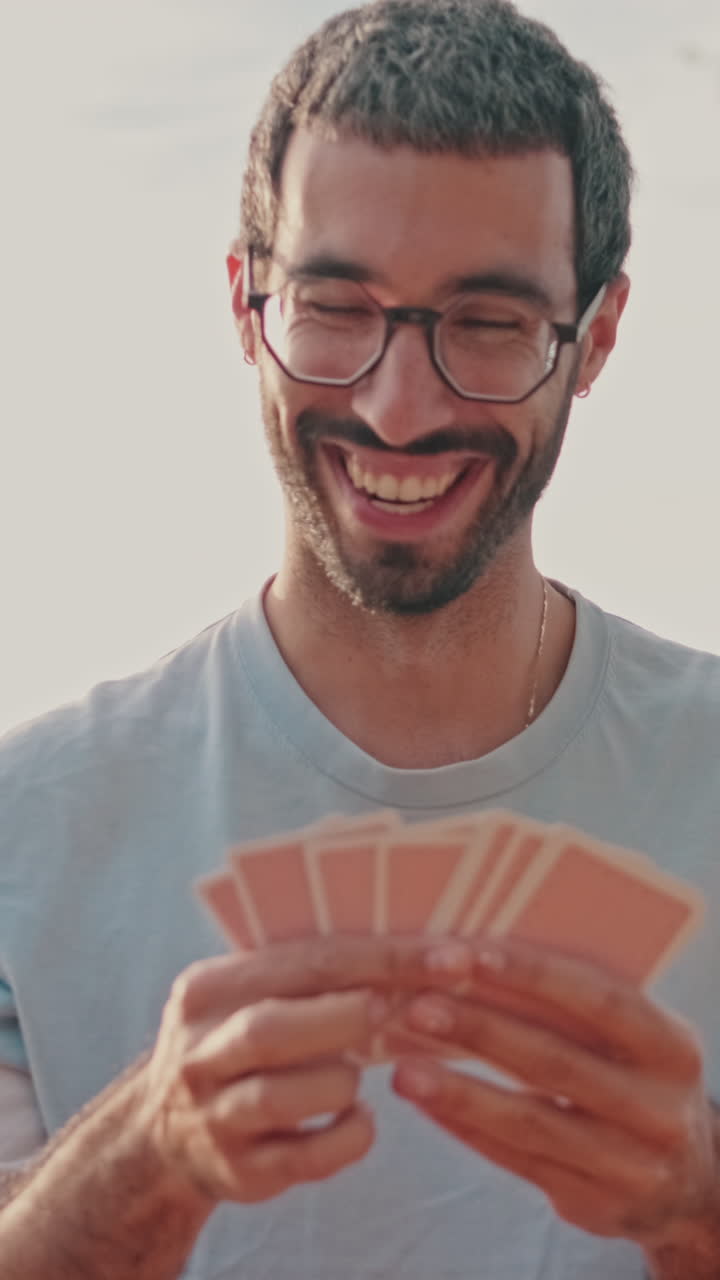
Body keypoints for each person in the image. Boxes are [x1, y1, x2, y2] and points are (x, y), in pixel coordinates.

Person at [0, 0, 719, 1275]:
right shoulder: (25, 830)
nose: (397, 407)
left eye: (488, 323)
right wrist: (146, 1156)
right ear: (245, 302)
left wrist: (698, 1201)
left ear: (595, 339)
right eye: (335, 305)